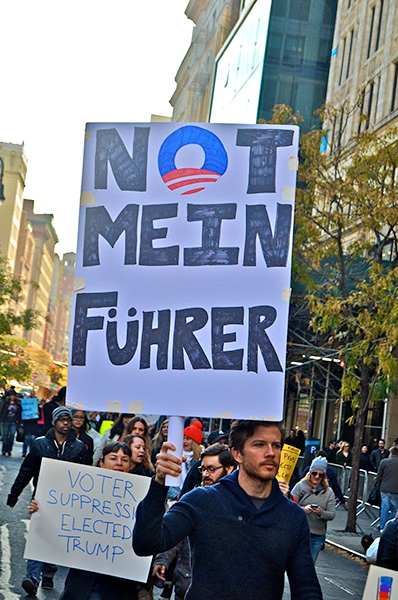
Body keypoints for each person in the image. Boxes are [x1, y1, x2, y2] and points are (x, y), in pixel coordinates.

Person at [133, 420, 322, 600]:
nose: (271, 453)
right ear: (237, 454)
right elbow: (146, 544)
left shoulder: (293, 517)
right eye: (259, 445)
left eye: (276, 445)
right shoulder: (201, 501)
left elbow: (306, 588)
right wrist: (159, 484)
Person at [30, 442, 144, 600]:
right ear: (101, 463)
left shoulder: (140, 497)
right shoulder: (83, 492)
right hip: (85, 581)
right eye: (113, 458)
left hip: (120, 583)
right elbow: (61, 523)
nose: (119, 463)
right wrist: (40, 512)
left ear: (129, 466)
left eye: (124, 459)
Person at [7, 406, 88, 595]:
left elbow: (85, 477)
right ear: (54, 422)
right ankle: (32, 577)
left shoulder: (78, 448)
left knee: (57, 535)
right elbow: (26, 470)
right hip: (42, 498)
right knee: (39, 534)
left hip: (68, 500)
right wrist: (14, 495)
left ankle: (49, 572)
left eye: (68, 420)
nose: (66, 423)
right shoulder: (39, 444)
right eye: (62, 420)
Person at [152, 444, 236, 600]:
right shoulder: (193, 500)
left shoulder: (239, 505)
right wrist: (162, 560)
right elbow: (174, 533)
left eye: (211, 469)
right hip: (187, 586)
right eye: (203, 469)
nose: (205, 474)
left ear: (229, 469)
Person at [291, 457, 336, 563]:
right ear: (310, 473)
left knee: (310, 566)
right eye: (314, 473)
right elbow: (289, 506)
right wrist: (303, 510)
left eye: (320, 475)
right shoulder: (300, 486)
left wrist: (321, 513)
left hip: (317, 534)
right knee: (297, 564)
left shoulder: (328, 492)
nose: (316, 477)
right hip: (300, 532)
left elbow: (332, 514)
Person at [376, 446, 398, 530]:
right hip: (395, 489)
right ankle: (390, 527)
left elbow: (379, 475)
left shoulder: (384, 462)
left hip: (385, 488)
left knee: (385, 508)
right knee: (394, 509)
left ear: (390, 453)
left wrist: (378, 482)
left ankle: (382, 526)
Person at [1, 392, 22, 456]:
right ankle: (4, 449)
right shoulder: (5, 403)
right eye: (11, 396)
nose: (12, 397)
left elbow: (20, 411)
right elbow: (2, 410)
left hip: (14, 421)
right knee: (5, 436)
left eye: (13, 396)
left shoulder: (17, 404)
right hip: (6, 421)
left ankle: (9, 450)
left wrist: (19, 421)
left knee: (11, 436)